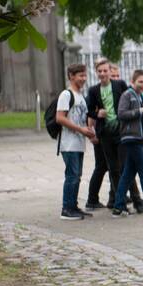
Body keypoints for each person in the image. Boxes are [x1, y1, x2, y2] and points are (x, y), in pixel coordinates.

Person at [85, 58, 143, 212]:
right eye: (100, 71)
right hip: (105, 134)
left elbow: (130, 99)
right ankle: (120, 202)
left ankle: (136, 199)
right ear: (96, 72)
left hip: (121, 132)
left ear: (110, 72)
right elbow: (89, 110)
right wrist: (98, 113)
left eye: (106, 71)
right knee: (113, 168)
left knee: (126, 166)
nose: (103, 73)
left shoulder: (120, 85)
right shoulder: (93, 90)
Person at [112, 70, 143, 217]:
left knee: (128, 174)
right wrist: (141, 110)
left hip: (139, 139)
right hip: (131, 139)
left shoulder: (141, 97)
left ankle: (118, 207)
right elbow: (121, 114)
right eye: (141, 81)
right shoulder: (127, 95)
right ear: (133, 82)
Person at [55, 63, 97, 220]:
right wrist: (80, 130)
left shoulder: (80, 96)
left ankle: (73, 206)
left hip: (79, 142)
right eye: (81, 75)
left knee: (77, 175)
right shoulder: (66, 95)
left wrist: (90, 133)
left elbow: (83, 119)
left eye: (85, 75)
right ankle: (66, 209)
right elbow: (59, 118)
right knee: (72, 175)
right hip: (69, 142)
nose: (84, 78)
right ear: (71, 76)